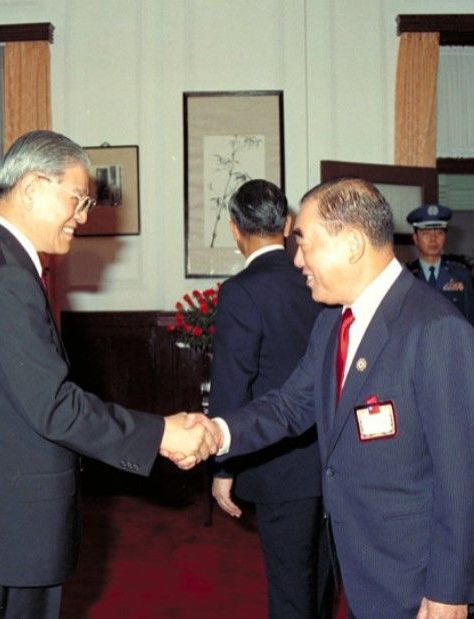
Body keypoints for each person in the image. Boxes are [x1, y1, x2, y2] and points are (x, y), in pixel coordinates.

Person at [0, 130, 216, 618]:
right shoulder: (4, 276)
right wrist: (160, 433)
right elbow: (53, 406)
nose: (82, 217)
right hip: (3, 526)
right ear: (34, 187)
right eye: (78, 200)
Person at [212, 178, 474, 619]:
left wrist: (449, 589)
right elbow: (289, 406)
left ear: (351, 245)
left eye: (305, 243)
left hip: (415, 582)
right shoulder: (332, 323)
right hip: (362, 568)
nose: (297, 259)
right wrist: (216, 433)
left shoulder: (438, 331)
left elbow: (466, 480)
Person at [209, 179, 331, 619]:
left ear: (234, 228)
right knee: (322, 578)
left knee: (288, 585)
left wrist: (223, 466)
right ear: (287, 224)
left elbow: (231, 385)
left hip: (278, 462)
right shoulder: (321, 278)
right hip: (332, 453)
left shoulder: (241, 291)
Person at [405, 204, 474, 329]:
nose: (433, 239)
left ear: (445, 237)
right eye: (426, 233)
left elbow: (471, 323)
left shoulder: (461, 275)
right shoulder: (405, 276)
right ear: (415, 238)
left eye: (439, 233)